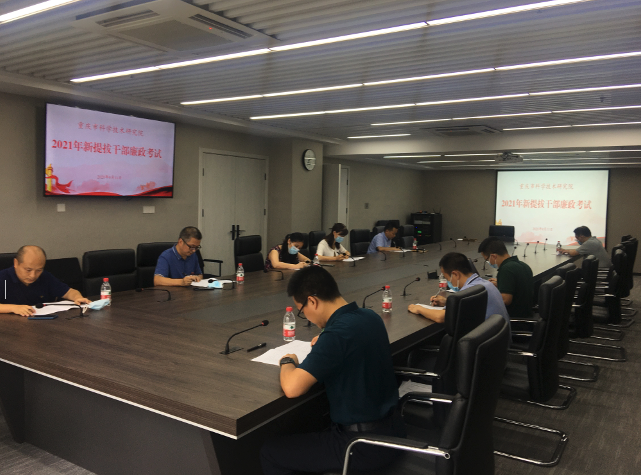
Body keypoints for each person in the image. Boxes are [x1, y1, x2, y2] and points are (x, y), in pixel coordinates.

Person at [260, 266, 404, 475]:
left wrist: (287, 361)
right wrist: (326, 339)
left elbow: (292, 388)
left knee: (270, 452)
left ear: (312, 301)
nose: (306, 317)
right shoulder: (369, 316)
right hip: (393, 431)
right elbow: (349, 342)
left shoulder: (337, 335)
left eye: (302, 311)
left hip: (361, 446)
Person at [408, 252, 510, 324]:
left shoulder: (469, 291)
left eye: (447, 278)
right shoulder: (484, 284)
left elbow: (440, 317)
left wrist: (419, 309)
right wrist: (448, 302)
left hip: (484, 346)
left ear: (455, 274)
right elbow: (473, 304)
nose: (448, 282)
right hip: (497, 344)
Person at [0, 246, 91, 317]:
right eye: (28, 270)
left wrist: (77, 297)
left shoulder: (45, 277)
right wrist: (13, 308)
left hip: (41, 324)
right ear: (16, 263)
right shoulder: (3, 278)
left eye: (39, 270)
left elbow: (69, 292)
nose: (33, 275)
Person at [478, 237, 534, 320]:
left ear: (493, 256)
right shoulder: (523, 265)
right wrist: (501, 283)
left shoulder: (506, 269)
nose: (488, 262)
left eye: (487, 259)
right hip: (526, 314)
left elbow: (505, 300)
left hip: (514, 319)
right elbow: (518, 285)